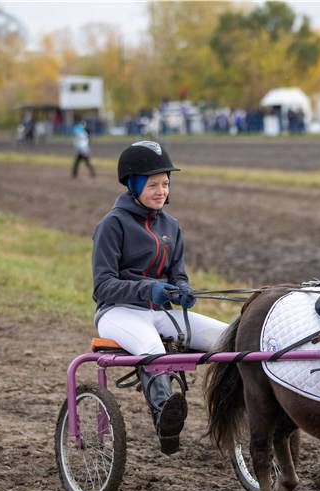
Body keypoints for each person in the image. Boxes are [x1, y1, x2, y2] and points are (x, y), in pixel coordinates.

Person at [91, 140, 227, 455]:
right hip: (117, 313)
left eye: (165, 184)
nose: (161, 191)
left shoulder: (172, 226)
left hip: (161, 313)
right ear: (134, 185)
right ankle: (165, 419)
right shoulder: (112, 225)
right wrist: (148, 289)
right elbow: (103, 286)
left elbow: (178, 275)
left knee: (228, 338)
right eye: (153, 185)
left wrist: (183, 291)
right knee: (152, 349)